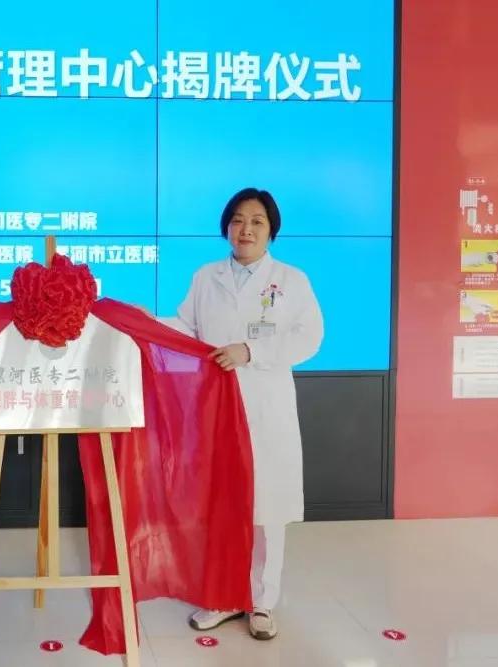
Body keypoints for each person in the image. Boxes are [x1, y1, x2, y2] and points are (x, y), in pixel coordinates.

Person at [163, 187, 323, 640]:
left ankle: (262, 602)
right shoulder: (206, 277)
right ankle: (224, 595)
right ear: (226, 228)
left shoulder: (291, 281)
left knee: (266, 508)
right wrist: (144, 321)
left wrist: (250, 350)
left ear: (271, 230)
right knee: (221, 505)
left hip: (265, 408)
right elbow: (185, 329)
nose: (245, 229)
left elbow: (309, 337)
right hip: (216, 408)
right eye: (237, 220)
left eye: (256, 221)